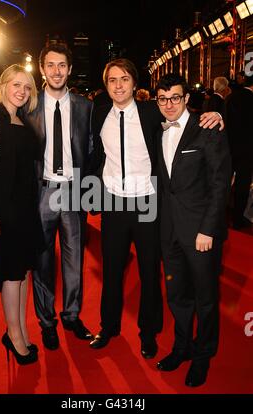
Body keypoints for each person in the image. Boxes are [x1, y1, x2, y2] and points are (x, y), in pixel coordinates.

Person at [89, 59, 222, 358]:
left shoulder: (151, 112)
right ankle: (108, 326)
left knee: (150, 271)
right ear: (106, 85)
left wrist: (213, 114)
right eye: (112, 80)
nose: (119, 85)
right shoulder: (99, 115)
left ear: (135, 84)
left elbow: (182, 119)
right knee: (111, 271)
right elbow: (95, 154)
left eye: (124, 79)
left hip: (148, 201)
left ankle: (148, 332)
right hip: (112, 202)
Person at [155, 74, 231, 387]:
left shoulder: (207, 128)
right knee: (177, 296)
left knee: (206, 298)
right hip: (169, 230)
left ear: (187, 98)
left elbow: (219, 184)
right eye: (163, 98)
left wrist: (208, 230)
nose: (169, 104)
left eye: (175, 97)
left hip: (200, 233)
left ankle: (203, 356)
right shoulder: (156, 129)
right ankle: (182, 347)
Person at [21, 43, 93, 350]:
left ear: (70, 69)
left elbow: (91, 149)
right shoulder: (29, 105)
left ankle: (72, 315)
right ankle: (46, 321)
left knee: (74, 259)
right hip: (42, 191)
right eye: (50, 65)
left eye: (62, 65)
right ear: (42, 69)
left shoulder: (84, 106)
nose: (56, 71)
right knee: (42, 261)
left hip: (73, 191)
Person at [0, 64, 41, 365]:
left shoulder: (21, 119)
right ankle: (13, 336)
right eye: (16, 85)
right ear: (3, 85)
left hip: (25, 209)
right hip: (4, 211)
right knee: (12, 275)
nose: (22, 92)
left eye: (27, 87)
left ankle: (21, 330)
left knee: (23, 271)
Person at [225, 74, 253, 230]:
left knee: (224, 184)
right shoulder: (251, 100)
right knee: (242, 186)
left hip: (229, 148)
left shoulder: (232, 97)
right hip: (247, 150)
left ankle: (220, 216)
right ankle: (237, 219)